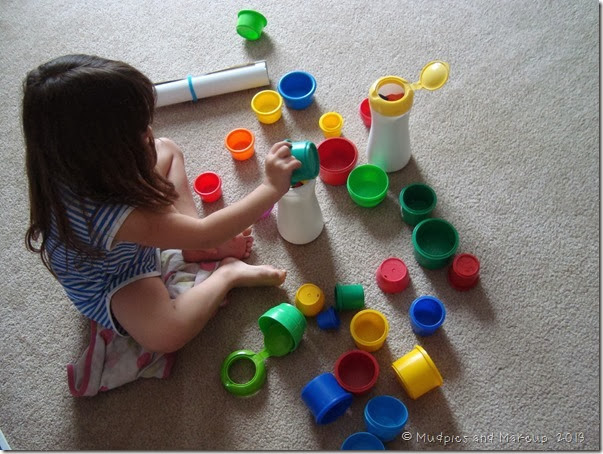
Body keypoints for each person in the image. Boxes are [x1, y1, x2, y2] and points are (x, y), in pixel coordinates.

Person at [22, 54, 301, 358]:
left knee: (167, 150)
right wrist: (271, 187)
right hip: (117, 278)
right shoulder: (109, 216)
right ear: (102, 155)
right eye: (139, 133)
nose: (149, 133)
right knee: (165, 334)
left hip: (125, 225)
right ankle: (228, 274)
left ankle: (195, 248)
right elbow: (207, 231)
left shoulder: (62, 161)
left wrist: (196, 238)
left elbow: (158, 160)